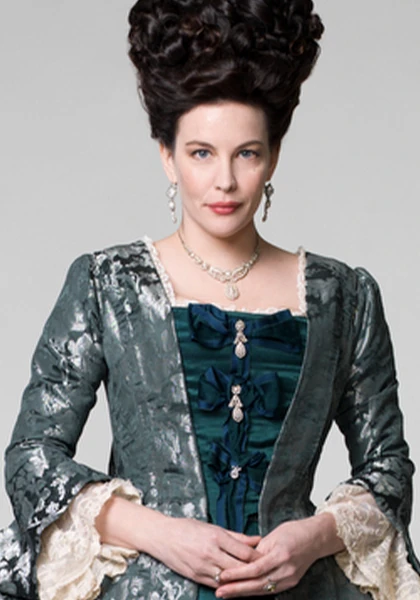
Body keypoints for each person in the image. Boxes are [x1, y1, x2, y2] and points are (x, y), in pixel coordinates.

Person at [0, 0, 419, 598]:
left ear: (272, 157)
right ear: (167, 156)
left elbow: (388, 469)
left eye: (246, 153)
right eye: (201, 153)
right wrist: (161, 533)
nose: (224, 180)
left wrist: (310, 538)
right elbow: (32, 456)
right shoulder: (108, 285)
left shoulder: (343, 298)